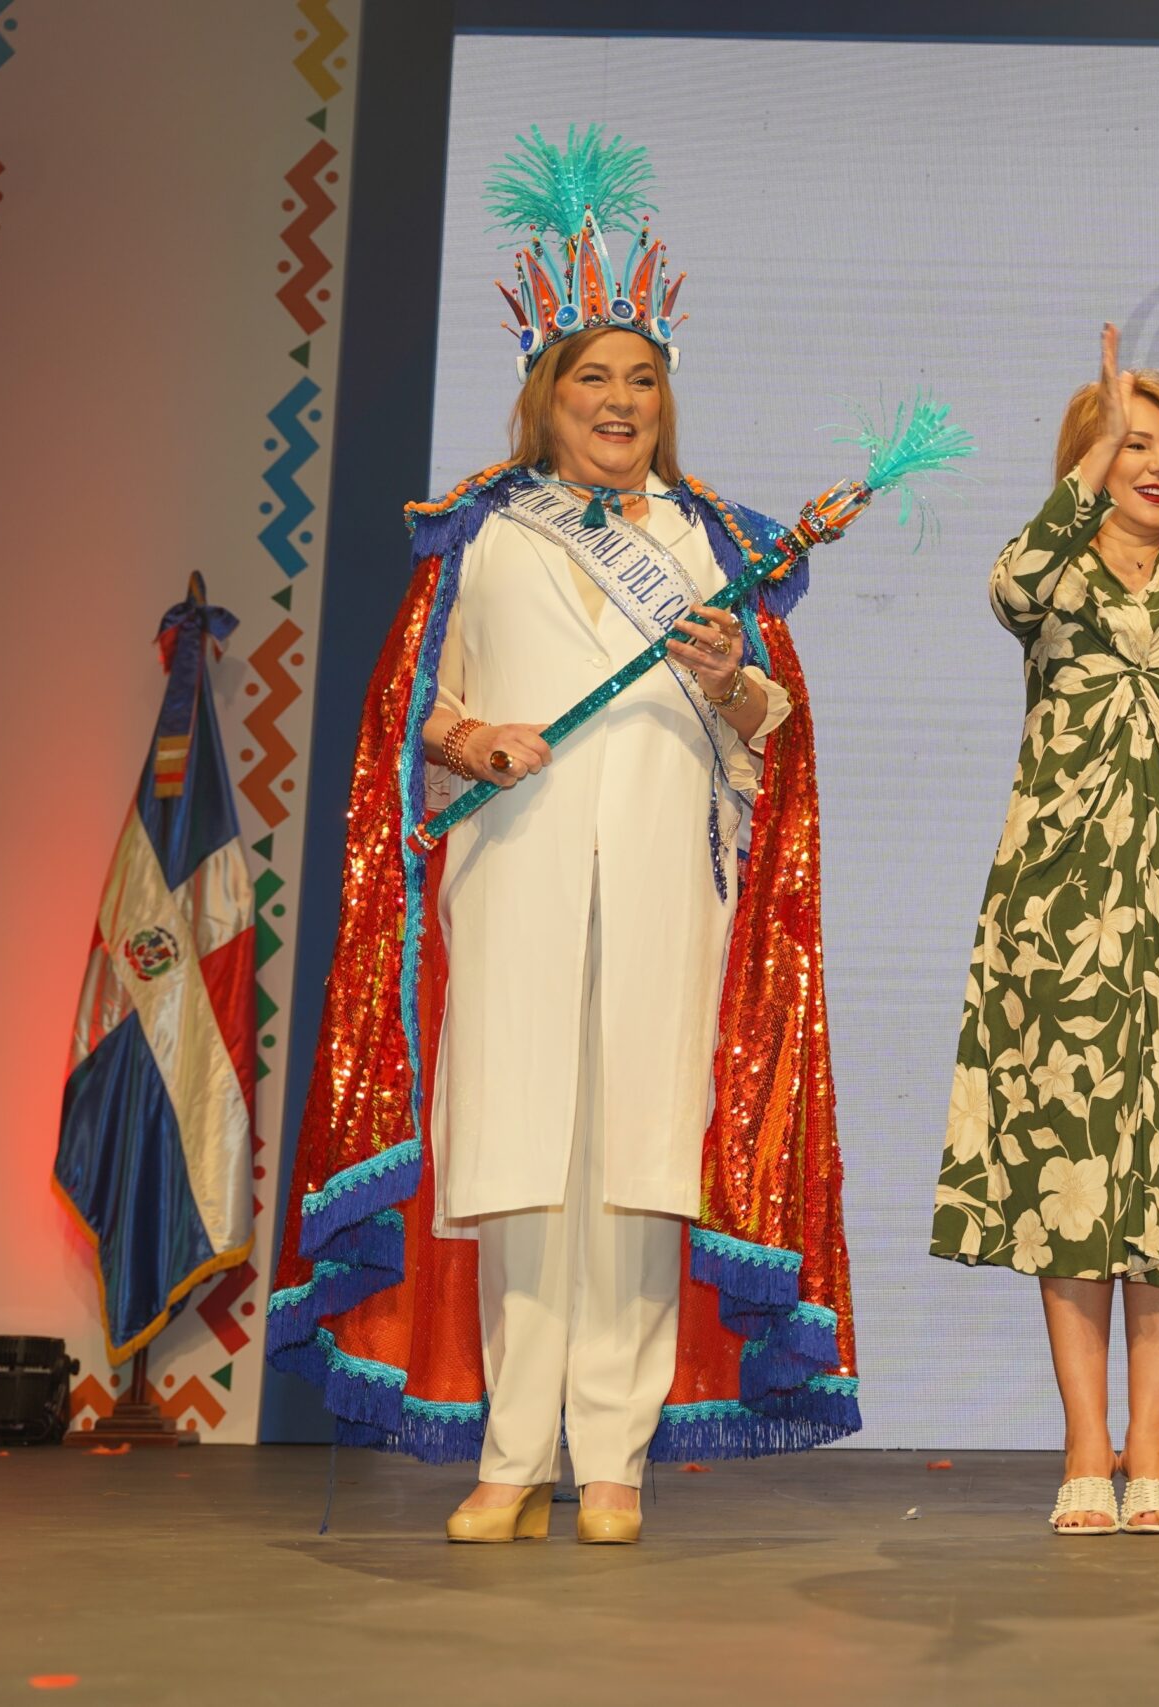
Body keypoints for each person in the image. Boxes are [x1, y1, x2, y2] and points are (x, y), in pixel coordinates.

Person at [266, 127, 861, 1545]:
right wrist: (470, 739)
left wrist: (734, 677)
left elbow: (771, 732)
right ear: (546, 393)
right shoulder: (482, 533)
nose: (619, 401)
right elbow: (412, 709)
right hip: (514, 876)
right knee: (521, 1160)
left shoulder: (714, 541)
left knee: (642, 1165)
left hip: (663, 883)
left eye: (641, 379)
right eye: (593, 377)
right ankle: (512, 1450)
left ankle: (616, 1456)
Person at [931, 323, 1159, 1535]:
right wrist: (1090, 453)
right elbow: (1010, 588)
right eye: (1136, 446)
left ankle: (1153, 1444)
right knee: (1070, 1164)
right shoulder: (1054, 574)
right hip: (1060, 902)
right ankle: (1086, 1442)